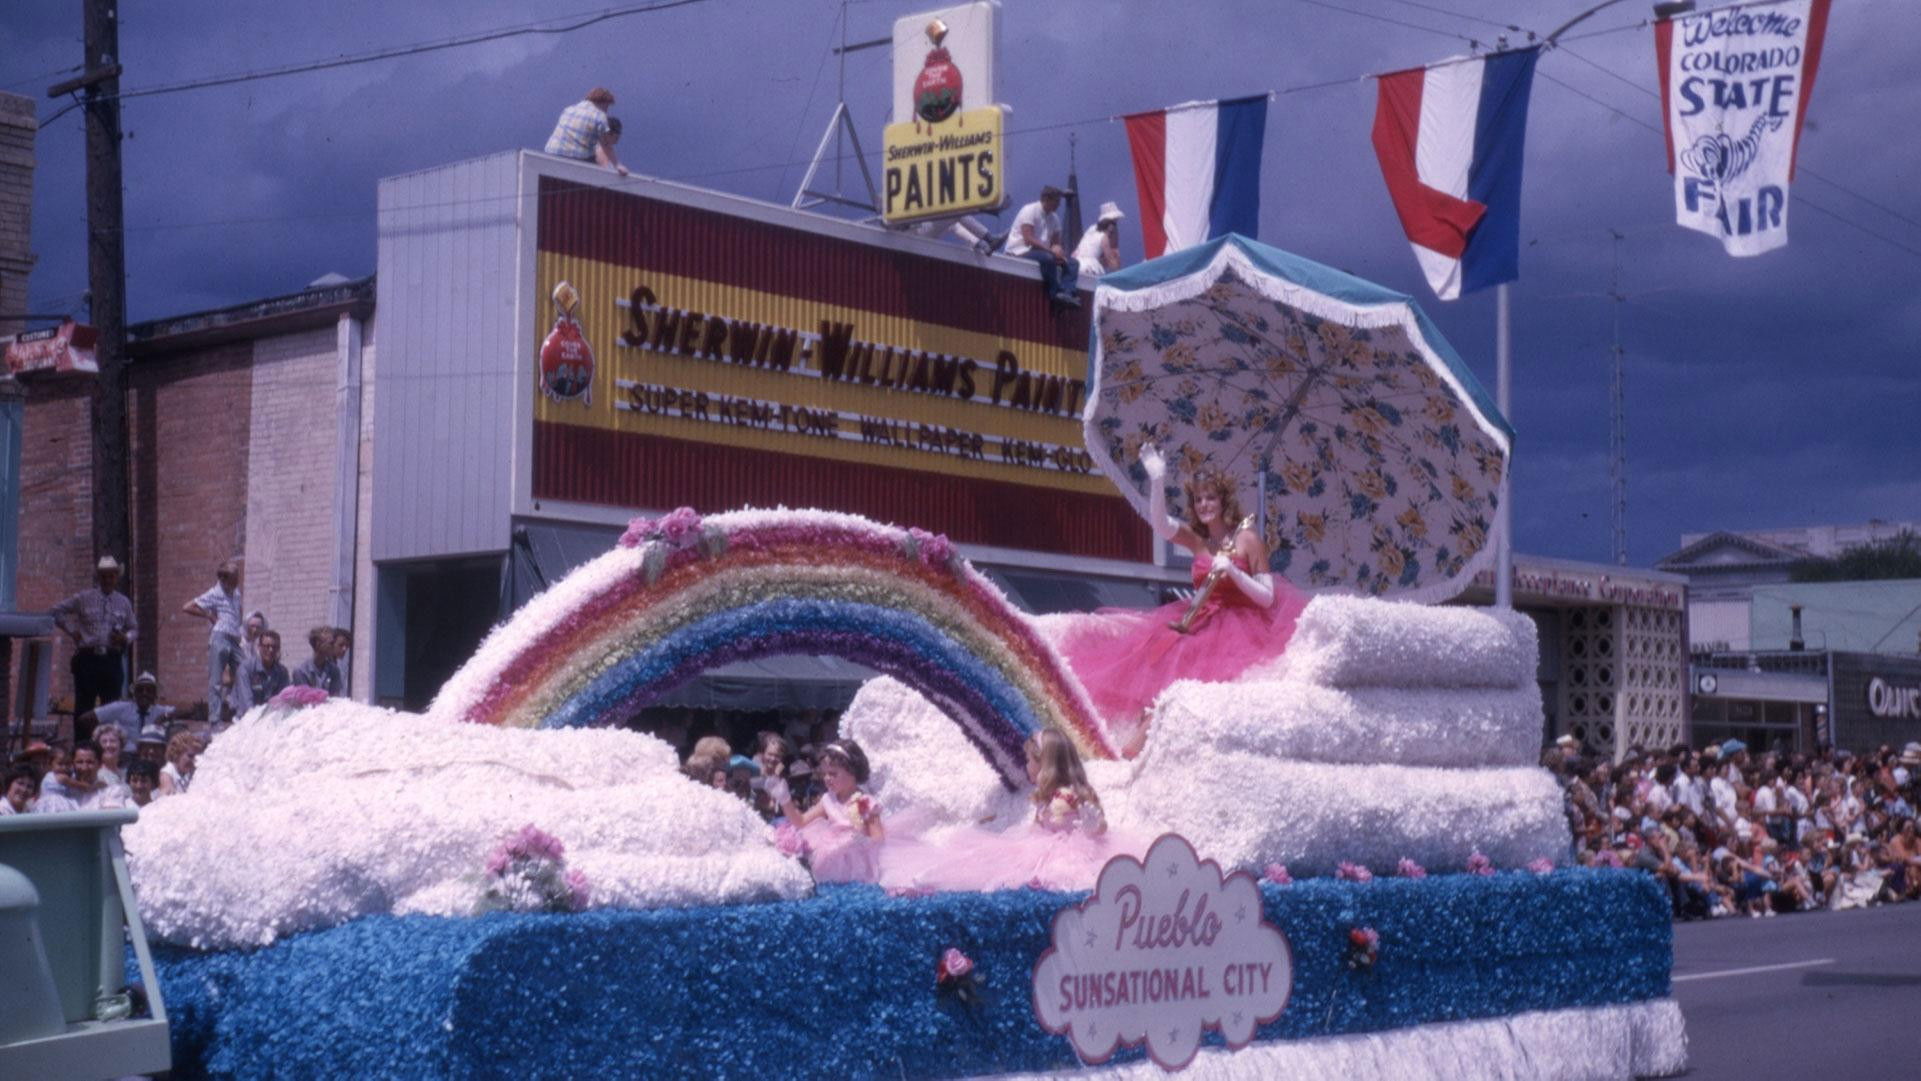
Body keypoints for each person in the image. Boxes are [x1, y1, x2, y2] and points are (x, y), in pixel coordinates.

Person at [1057, 444, 1307, 752]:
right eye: (1198, 498)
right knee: (1153, 665)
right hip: (1199, 619)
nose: (1204, 504)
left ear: (1224, 499)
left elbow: (1267, 598)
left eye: (1210, 497)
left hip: (1240, 630)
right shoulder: (1198, 540)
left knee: (1183, 685)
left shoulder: (1247, 539)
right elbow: (1161, 525)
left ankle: (1129, 751)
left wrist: (1234, 571)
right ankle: (1124, 743)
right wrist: (1158, 481)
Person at [882, 729, 1145, 894]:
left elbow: (1098, 827)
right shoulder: (1046, 797)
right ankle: (936, 875)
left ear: (1047, 763)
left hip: (1071, 852)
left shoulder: (1074, 794)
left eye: (1030, 760)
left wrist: (1093, 825)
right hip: (1038, 847)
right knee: (990, 856)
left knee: (1053, 875)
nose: (1026, 766)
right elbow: (1039, 827)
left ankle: (936, 876)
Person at [50, 555, 139, 730]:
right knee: (84, 706)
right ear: (98, 577)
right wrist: (72, 631)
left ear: (116, 577)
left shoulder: (123, 602)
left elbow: (134, 629)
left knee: (111, 707)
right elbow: (56, 611)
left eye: (111, 576)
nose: (107, 579)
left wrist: (125, 638)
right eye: (104, 576)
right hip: (88, 659)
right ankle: (82, 749)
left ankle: (107, 748)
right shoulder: (84, 598)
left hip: (111, 659)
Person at [777, 739, 883, 883]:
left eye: (833, 774)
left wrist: (859, 840)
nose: (827, 778)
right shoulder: (828, 799)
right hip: (830, 861)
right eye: (824, 774)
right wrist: (785, 800)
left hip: (860, 863)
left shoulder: (864, 802)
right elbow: (800, 822)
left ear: (852, 772)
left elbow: (879, 839)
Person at [182, 559, 246, 722]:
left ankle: (242, 712)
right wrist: (208, 615)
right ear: (224, 579)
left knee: (244, 672)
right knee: (216, 680)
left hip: (234, 638)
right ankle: (214, 719)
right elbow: (188, 606)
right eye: (233, 578)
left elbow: (238, 611)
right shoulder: (215, 593)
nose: (236, 580)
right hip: (220, 636)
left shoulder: (236, 592)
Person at [1003, 185, 1079, 308]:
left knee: (1072, 263)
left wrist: (1059, 253)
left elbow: (1056, 243)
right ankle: (1055, 293)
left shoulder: (1055, 219)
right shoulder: (1030, 210)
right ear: (1046, 199)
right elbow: (1028, 239)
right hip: (1020, 251)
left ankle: (1067, 293)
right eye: (1056, 201)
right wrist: (1051, 251)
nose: (1058, 205)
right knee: (1048, 258)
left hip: (1042, 252)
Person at [544, 87, 629, 176]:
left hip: (552, 152)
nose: (607, 110)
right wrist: (618, 165)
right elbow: (606, 145)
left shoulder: (569, 109)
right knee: (598, 157)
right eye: (607, 106)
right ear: (603, 102)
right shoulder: (600, 116)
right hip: (576, 157)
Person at [86, 671, 174, 749]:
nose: (144, 693)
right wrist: (97, 739)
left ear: (155, 694)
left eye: (149, 690)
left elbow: (185, 712)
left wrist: (165, 716)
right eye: (140, 690)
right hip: (125, 755)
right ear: (134, 693)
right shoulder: (121, 707)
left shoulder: (159, 710)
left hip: (149, 754)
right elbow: (86, 718)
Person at [38, 742, 130, 812]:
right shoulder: (65, 789)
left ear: (99, 764)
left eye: (90, 762)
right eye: (79, 762)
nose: (84, 768)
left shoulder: (111, 791)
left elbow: (110, 821)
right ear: (72, 764)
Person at [234, 629, 292, 715]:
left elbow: (285, 700)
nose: (271, 650)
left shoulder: (282, 672)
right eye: (267, 646)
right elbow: (246, 703)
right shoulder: (246, 668)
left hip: (271, 718)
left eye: (274, 647)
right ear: (259, 647)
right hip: (246, 718)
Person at [1073, 201, 1125, 281]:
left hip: (1076, 264)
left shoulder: (1091, 230)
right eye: (1114, 223)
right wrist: (1121, 278)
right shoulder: (1103, 237)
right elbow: (1111, 261)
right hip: (1089, 268)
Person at [290, 627, 344, 696]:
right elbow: (304, 700)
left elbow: (335, 697)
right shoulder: (301, 671)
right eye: (331, 643)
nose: (333, 647)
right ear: (318, 644)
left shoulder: (334, 670)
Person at [157, 731, 202, 797]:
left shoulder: (193, 771)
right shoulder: (167, 773)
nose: (194, 760)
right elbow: (167, 797)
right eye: (190, 756)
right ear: (177, 754)